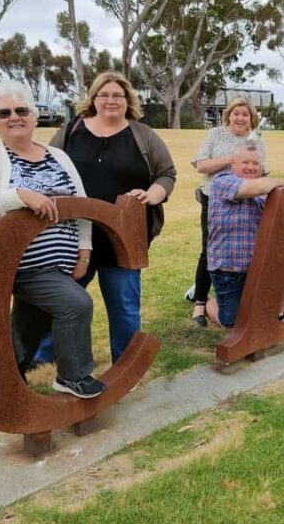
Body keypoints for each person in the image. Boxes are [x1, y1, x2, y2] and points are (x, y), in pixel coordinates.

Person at [0, 80, 105, 398]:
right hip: (15, 265)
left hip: (58, 264)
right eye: (4, 112)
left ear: (34, 116)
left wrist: (83, 252)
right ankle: (73, 376)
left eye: (22, 110)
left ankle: (5, 380)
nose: (14, 117)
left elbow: (81, 205)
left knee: (29, 323)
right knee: (75, 304)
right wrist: (19, 196)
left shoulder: (58, 156)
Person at [34, 71, 177, 365]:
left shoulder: (143, 135)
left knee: (124, 304)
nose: (111, 100)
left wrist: (153, 195)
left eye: (118, 95)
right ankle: (43, 356)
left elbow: (166, 174)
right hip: (73, 235)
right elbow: (47, 167)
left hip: (125, 236)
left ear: (128, 100)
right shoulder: (71, 130)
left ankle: (126, 364)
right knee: (63, 298)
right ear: (93, 98)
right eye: (104, 94)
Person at [206, 143, 284, 332]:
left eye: (255, 163)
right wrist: (283, 183)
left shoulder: (266, 189)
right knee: (235, 326)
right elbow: (252, 188)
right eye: (245, 162)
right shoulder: (222, 181)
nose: (251, 167)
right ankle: (203, 301)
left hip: (259, 264)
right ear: (232, 163)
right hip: (230, 269)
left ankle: (280, 312)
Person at [188, 96, 268, 327]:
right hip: (216, 198)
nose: (240, 118)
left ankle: (238, 295)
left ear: (251, 118)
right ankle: (200, 302)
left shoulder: (256, 141)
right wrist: (232, 159)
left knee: (247, 246)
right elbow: (201, 165)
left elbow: (262, 171)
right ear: (229, 115)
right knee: (210, 249)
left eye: (245, 114)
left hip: (247, 200)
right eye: (236, 113)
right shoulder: (216, 135)